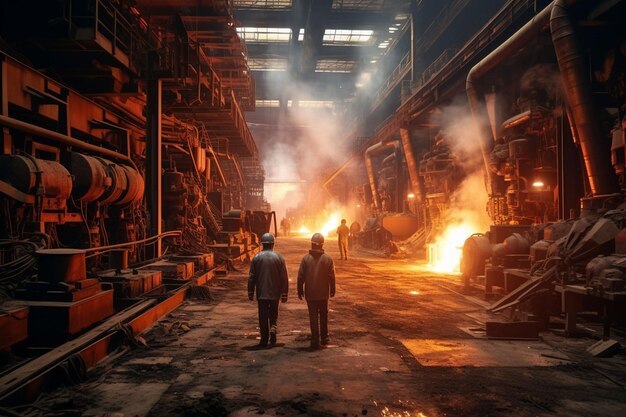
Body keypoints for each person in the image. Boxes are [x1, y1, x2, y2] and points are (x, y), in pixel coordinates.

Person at [248, 233, 289, 347]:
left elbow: (252, 277)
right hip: (275, 293)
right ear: (273, 244)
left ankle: (264, 339)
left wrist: (250, 291)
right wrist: (284, 293)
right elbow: (284, 277)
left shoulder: (256, 258)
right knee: (273, 313)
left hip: (261, 293)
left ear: (262, 244)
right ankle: (273, 328)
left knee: (263, 316)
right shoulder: (279, 258)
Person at [297, 233, 336, 349]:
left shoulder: (306, 259)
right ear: (322, 244)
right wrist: (332, 289)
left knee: (313, 316)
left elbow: (300, 276)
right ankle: (324, 338)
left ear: (312, 244)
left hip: (311, 294)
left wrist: (299, 289)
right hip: (323, 294)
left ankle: (315, 340)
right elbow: (332, 276)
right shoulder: (328, 259)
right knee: (324, 315)